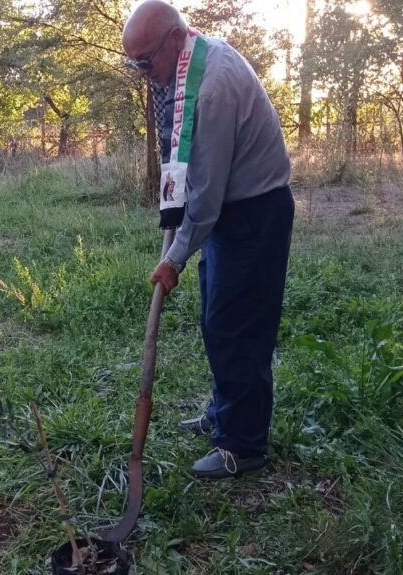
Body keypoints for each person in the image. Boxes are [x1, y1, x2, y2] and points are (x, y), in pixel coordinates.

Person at [122, 1, 295, 479]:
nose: (140, 73)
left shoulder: (211, 89)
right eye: (131, 62)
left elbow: (207, 195)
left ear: (175, 40)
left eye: (143, 61)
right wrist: (174, 227)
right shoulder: (188, 65)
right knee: (217, 318)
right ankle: (224, 412)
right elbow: (182, 165)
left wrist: (174, 258)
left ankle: (243, 443)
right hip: (232, 212)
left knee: (239, 327)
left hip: (253, 215)